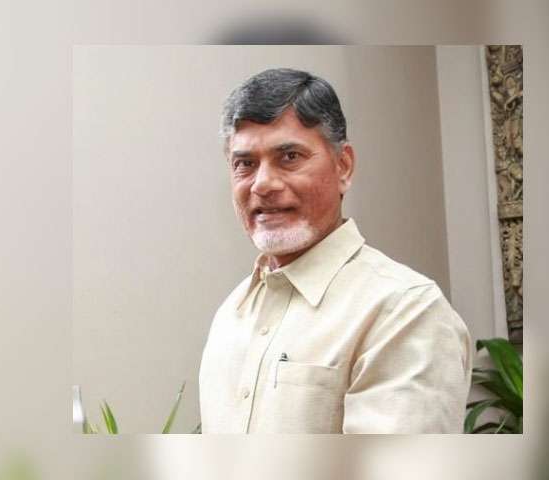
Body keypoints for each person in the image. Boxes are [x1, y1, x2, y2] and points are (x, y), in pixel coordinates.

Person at [198, 68, 472, 433]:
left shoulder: (404, 311)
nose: (263, 184)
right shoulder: (231, 314)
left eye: (289, 156)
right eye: (245, 164)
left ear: (343, 166)